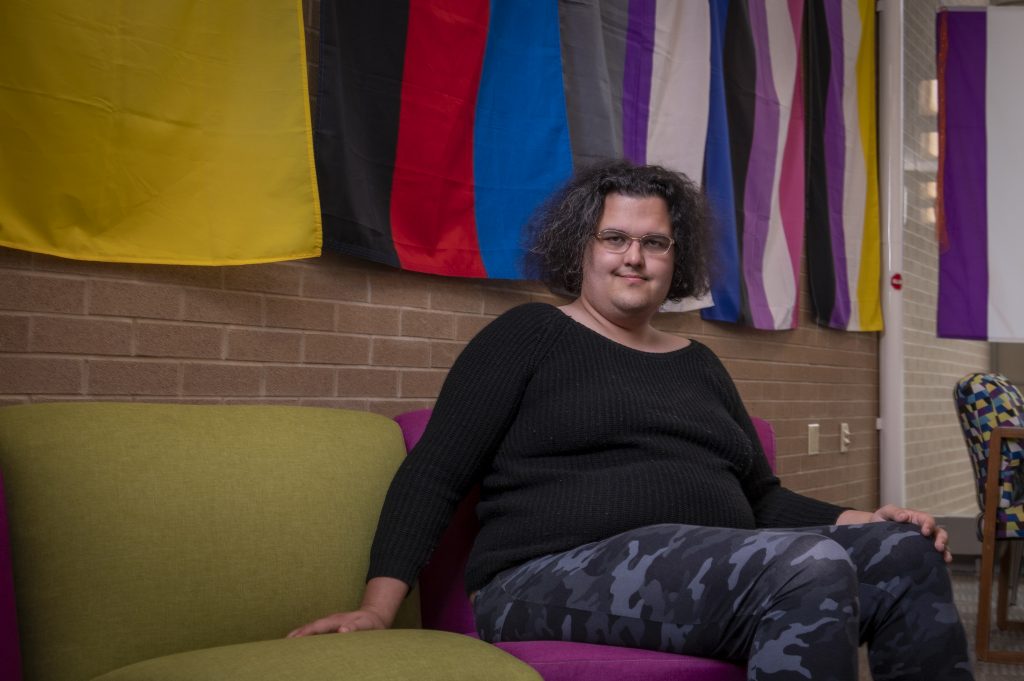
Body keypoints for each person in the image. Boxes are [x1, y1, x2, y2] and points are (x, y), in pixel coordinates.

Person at [290, 161, 973, 680]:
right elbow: (435, 472)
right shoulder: (530, 334)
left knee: (905, 553)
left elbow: (760, 497)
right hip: (545, 577)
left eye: (655, 242)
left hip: (709, 567)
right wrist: (378, 606)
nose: (634, 257)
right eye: (614, 237)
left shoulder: (700, 363)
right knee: (807, 567)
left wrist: (867, 518)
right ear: (580, 249)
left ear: (676, 260)